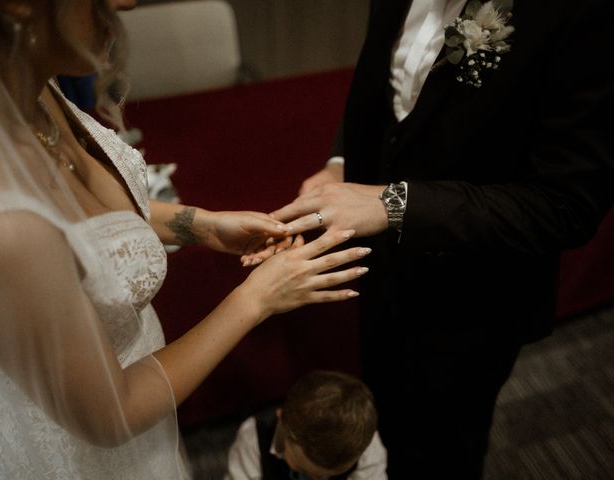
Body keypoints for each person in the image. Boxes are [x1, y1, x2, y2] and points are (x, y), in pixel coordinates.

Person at [0, 1, 372, 479]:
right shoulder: (1, 224)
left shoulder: (33, 89)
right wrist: (257, 298)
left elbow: (87, 223)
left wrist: (201, 225)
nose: (128, 4)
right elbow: (111, 414)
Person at [244, 0, 614, 478]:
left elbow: (567, 205)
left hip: (475, 293)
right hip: (382, 267)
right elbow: (390, 81)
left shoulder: (583, 13)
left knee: (444, 450)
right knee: (384, 416)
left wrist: (392, 204)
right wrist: (340, 163)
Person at [225, 370, 387, 480]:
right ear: (282, 418)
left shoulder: (364, 443)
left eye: (324, 477)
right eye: (302, 469)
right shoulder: (254, 441)